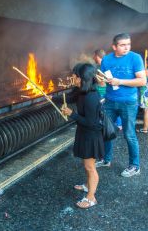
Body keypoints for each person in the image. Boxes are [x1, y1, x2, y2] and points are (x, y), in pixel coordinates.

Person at [95, 33, 146, 178]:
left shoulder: (135, 58)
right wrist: (100, 80)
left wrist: (120, 81)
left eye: (128, 44)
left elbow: (142, 81)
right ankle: (106, 159)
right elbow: (105, 79)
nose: (127, 47)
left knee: (129, 134)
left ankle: (135, 166)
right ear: (114, 46)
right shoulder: (106, 59)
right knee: (106, 131)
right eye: (123, 45)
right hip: (110, 100)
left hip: (129, 102)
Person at [61, 63, 104, 209]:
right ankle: (87, 185)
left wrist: (72, 114)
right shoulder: (81, 91)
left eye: (75, 75)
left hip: (91, 135)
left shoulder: (91, 96)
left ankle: (91, 197)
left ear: (82, 78)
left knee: (90, 167)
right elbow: (70, 98)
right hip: (84, 132)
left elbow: (91, 123)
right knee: (87, 165)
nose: (72, 77)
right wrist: (46, 96)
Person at [93, 49, 123, 130]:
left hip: (104, 91)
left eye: (94, 56)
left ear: (96, 56)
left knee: (108, 108)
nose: (93, 58)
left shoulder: (106, 65)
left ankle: (117, 125)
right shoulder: (102, 65)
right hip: (105, 91)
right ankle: (117, 124)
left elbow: (104, 81)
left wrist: (95, 78)